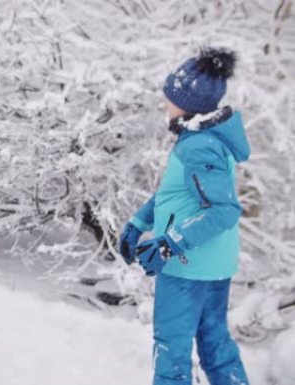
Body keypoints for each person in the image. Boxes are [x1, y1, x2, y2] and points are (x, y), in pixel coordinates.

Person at [118, 47, 250, 385]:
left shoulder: (198, 145)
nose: (165, 102)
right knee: (215, 345)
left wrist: (169, 245)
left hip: (187, 267)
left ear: (190, 103)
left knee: (171, 353)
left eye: (171, 97)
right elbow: (175, 194)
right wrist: (138, 223)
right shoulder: (206, 138)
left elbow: (224, 210)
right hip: (213, 264)